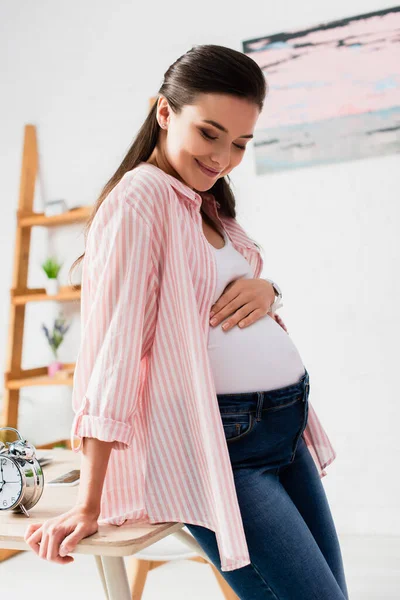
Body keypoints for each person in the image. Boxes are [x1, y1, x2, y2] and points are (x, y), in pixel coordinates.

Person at [24, 44, 349, 599]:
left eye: (241, 143)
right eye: (210, 133)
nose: (223, 157)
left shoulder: (203, 201)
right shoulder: (139, 200)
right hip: (225, 445)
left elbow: (221, 295)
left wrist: (269, 290)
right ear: (164, 112)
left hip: (284, 427)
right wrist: (90, 500)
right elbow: (115, 350)